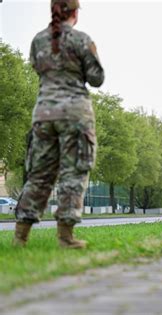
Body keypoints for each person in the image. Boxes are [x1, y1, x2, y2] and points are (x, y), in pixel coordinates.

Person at [13, 0, 104, 249]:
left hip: (43, 113)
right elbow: (97, 78)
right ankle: (66, 237)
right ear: (74, 13)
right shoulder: (81, 40)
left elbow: (38, 69)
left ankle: (20, 237)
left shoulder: (37, 40)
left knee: (39, 174)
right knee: (73, 173)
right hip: (75, 114)